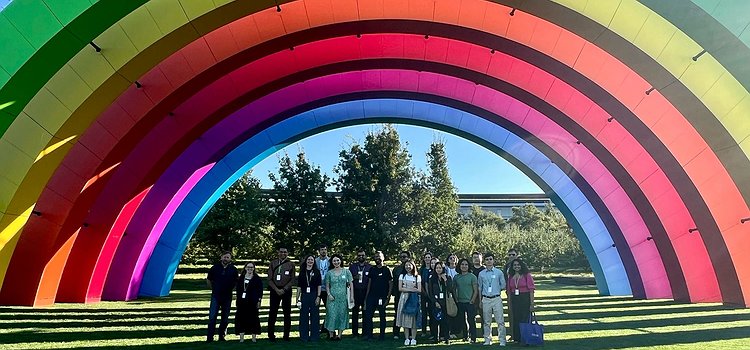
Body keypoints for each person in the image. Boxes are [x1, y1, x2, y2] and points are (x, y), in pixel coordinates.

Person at [206, 251, 238, 342]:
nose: (226, 259)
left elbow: (236, 282)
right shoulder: (214, 268)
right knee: (212, 317)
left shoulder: (233, 269)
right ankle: (210, 337)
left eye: (228, 257)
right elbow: (208, 280)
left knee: (225, 318)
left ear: (230, 259)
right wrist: (213, 289)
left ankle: (222, 336)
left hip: (227, 297)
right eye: (224, 257)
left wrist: (232, 289)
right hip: (216, 296)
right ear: (221, 257)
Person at [267, 246, 295, 342]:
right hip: (274, 291)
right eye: (281, 252)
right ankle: (271, 335)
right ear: (278, 252)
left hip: (286, 291)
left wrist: (284, 289)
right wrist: (276, 289)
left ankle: (286, 335)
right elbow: (269, 279)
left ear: (287, 253)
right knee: (273, 313)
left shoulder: (291, 264)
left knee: (287, 313)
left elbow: (292, 279)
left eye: (285, 252)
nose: (283, 254)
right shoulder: (273, 263)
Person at [478, 253, 506, 346]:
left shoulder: (499, 272)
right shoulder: (481, 274)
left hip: (496, 298)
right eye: (487, 259)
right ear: (484, 261)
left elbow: (503, 285)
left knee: (500, 321)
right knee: (486, 321)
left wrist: (496, 290)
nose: (489, 261)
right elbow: (480, 288)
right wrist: (480, 301)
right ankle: (487, 339)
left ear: (493, 260)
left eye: (490, 259)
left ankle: (502, 340)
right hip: (485, 299)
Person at [363, 251, 392, 340]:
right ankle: (369, 335)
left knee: (382, 317)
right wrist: (366, 297)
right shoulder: (372, 269)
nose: (377, 258)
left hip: (382, 297)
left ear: (383, 257)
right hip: (371, 296)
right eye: (375, 256)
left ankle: (382, 335)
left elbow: (390, 284)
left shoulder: (387, 269)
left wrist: (388, 297)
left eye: (379, 256)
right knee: (368, 316)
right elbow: (369, 283)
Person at [325, 254, 353, 340]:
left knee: (342, 315)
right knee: (331, 315)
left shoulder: (346, 272)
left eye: (337, 260)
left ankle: (339, 335)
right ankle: (331, 334)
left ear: (340, 261)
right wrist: (329, 294)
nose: (336, 262)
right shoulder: (329, 273)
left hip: (343, 298)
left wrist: (352, 297)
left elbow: (351, 284)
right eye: (334, 261)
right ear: (332, 262)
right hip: (332, 298)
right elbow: (327, 285)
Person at [507, 258, 535, 344]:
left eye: (518, 265)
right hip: (515, 299)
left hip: (525, 298)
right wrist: (509, 303)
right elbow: (508, 290)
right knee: (516, 318)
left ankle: (525, 337)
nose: (516, 266)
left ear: (521, 265)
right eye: (515, 265)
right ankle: (517, 338)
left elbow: (531, 290)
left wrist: (532, 304)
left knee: (524, 318)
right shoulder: (510, 276)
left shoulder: (527, 275)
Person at [235, 262, 262, 342]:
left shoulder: (257, 278)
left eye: (251, 267)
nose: (250, 269)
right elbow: (238, 290)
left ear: (254, 268)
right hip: (242, 302)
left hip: (253, 302)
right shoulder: (241, 278)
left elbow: (260, 291)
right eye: (248, 267)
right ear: (245, 268)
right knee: (241, 319)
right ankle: (241, 338)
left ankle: (254, 338)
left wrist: (259, 301)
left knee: (253, 319)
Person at [297, 255, 322, 342]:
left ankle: (314, 336)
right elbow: (299, 287)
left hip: (314, 295)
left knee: (315, 316)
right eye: (309, 259)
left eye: (312, 260)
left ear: (314, 262)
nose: (310, 261)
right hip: (304, 295)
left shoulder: (317, 272)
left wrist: (318, 297)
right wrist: (298, 299)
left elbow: (319, 285)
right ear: (306, 261)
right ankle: (304, 336)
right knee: (303, 316)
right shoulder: (302, 272)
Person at [396, 260, 422, 346]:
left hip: (414, 299)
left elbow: (419, 289)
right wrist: (412, 289)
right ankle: (407, 338)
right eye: (406, 265)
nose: (408, 267)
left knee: (414, 318)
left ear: (413, 266)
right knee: (405, 319)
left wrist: (407, 288)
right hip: (404, 298)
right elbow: (400, 288)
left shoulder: (417, 276)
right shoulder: (402, 276)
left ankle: (413, 338)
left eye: (409, 265)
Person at [428, 261, 453, 344]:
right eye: (437, 268)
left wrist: (445, 280)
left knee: (446, 322)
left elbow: (450, 289)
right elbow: (430, 292)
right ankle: (436, 338)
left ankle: (446, 338)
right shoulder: (432, 279)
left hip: (445, 303)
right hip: (436, 303)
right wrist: (435, 302)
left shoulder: (448, 277)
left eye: (440, 268)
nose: (438, 269)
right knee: (435, 321)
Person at [454, 258, 478, 343]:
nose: (464, 266)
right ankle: (465, 336)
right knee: (462, 320)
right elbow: (454, 289)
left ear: (468, 266)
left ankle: (473, 337)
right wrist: (456, 299)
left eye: (466, 264)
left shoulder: (472, 276)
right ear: (459, 266)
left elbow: (476, 290)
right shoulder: (456, 277)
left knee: (471, 320)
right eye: (462, 264)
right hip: (460, 301)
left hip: (470, 302)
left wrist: (472, 300)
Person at [349, 249, 372, 337]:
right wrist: (355, 277)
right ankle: (355, 333)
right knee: (355, 313)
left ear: (365, 256)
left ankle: (365, 332)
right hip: (355, 292)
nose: (361, 257)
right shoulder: (353, 267)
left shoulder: (369, 267)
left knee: (365, 312)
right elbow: (348, 280)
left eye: (362, 255)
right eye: (359, 255)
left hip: (366, 292)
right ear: (357, 256)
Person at [391, 251, 411, 339]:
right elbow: (394, 283)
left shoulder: (412, 268)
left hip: (410, 295)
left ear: (408, 258)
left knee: (410, 313)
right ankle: (396, 333)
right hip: (398, 295)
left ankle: (410, 332)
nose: (403, 258)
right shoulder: (396, 269)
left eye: (404, 257)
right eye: (401, 257)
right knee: (397, 313)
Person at [504, 248, 520, 341]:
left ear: (517, 255)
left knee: (521, 314)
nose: (511, 256)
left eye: (513, 255)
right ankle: (513, 334)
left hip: (522, 294)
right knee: (511, 313)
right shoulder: (506, 266)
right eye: (509, 255)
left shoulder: (520, 265)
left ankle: (521, 333)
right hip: (510, 293)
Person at [315, 245, 331, 336]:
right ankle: (315, 330)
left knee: (329, 310)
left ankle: (327, 329)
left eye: (325, 249)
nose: (324, 251)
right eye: (322, 250)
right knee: (315, 310)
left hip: (327, 289)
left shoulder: (330, 261)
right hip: (317, 288)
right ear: (319, 251)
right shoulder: (315, 261)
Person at [470, 251, 485, 337]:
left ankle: (485, 334)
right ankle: (473, 335)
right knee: (472, 317)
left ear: (481, 258)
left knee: (484, 317)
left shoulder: (484, 269)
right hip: (472, 296)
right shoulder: (470, 269)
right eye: (474, 257)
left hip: (483, 295)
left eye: (477, 257)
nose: (476, 258)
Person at [419, 252, 433, 339]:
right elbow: (420, 282)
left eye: (429, 257)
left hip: (432, 295)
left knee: (432, 314)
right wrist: (424, 293)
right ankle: (423, 331)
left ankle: (432, 331)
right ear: (424, 259)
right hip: (424, 294)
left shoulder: (434, 269)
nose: (427, 259)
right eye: (426, 257)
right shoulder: (422, 270)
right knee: (424, 314)